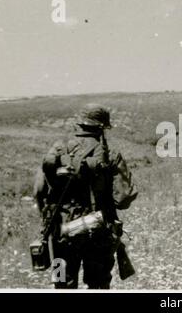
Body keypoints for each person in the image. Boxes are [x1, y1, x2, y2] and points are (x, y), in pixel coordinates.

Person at [34, 103, 137, 289]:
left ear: (78, 125)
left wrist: (49, 221)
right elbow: (122, 199)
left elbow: (39, 192)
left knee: (61, 283)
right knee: (98, 284)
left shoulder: (56, 152)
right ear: (102, 128)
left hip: (60, 232)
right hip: (98, 231)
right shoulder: (110, 155)